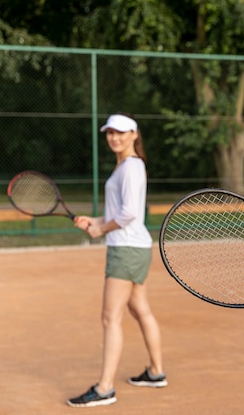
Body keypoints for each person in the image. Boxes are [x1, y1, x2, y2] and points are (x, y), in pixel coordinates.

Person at [67, 113, 167, 408]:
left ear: (135, 135)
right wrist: (95, 221)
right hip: (133, 247)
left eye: (121, 133)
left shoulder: (131, 167)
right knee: (141, 310)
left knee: (111, 317)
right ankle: (156, 372)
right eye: (110, 133)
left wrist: (101, 228)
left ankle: (104, 389)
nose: (115, 138)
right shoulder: (126, 166)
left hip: (125, 250)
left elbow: (128, 215)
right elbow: (120, 212)